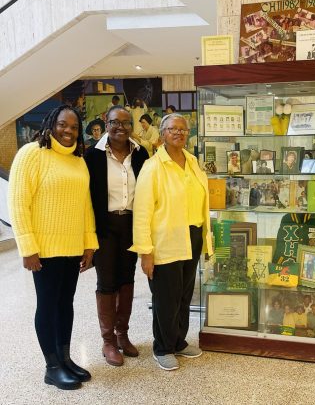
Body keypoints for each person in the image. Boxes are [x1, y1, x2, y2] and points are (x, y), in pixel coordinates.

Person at [7, 105, 99, 390]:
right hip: (44, 250)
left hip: (72, 247)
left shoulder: (78, 160)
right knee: (47, 305)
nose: (68, 131)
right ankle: (51, 366)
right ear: (51, 124)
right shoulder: (31, 154)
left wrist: (89, 244)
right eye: (62, 124)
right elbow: (18, 202)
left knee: (65, 303)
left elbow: (85, 205)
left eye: (73, 126)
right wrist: (27, 246)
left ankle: (65, 357)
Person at [129, 113, 213, 371]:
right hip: (165, 240)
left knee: (184, 295)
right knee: (166, 297)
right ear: (162, 133)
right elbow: (142, 212)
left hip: (192, 236)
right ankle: (162, 347)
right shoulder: (153, 167)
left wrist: (206, 239)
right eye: (172, 129)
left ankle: (178, 341)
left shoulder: (192, 161)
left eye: (183, 129)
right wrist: (145, 252)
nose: (179, 133)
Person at [84, 106, 148, 367]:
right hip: (105, 227)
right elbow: (86, 197)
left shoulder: (141, 153)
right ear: (105, 123)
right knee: (107, 282)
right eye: (114, 122)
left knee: (127, 280)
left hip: (131, 225)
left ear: (131, 126)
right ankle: (108, 340)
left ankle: (123, 335)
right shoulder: (93, 155)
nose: (120, 127)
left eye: (125, 122)